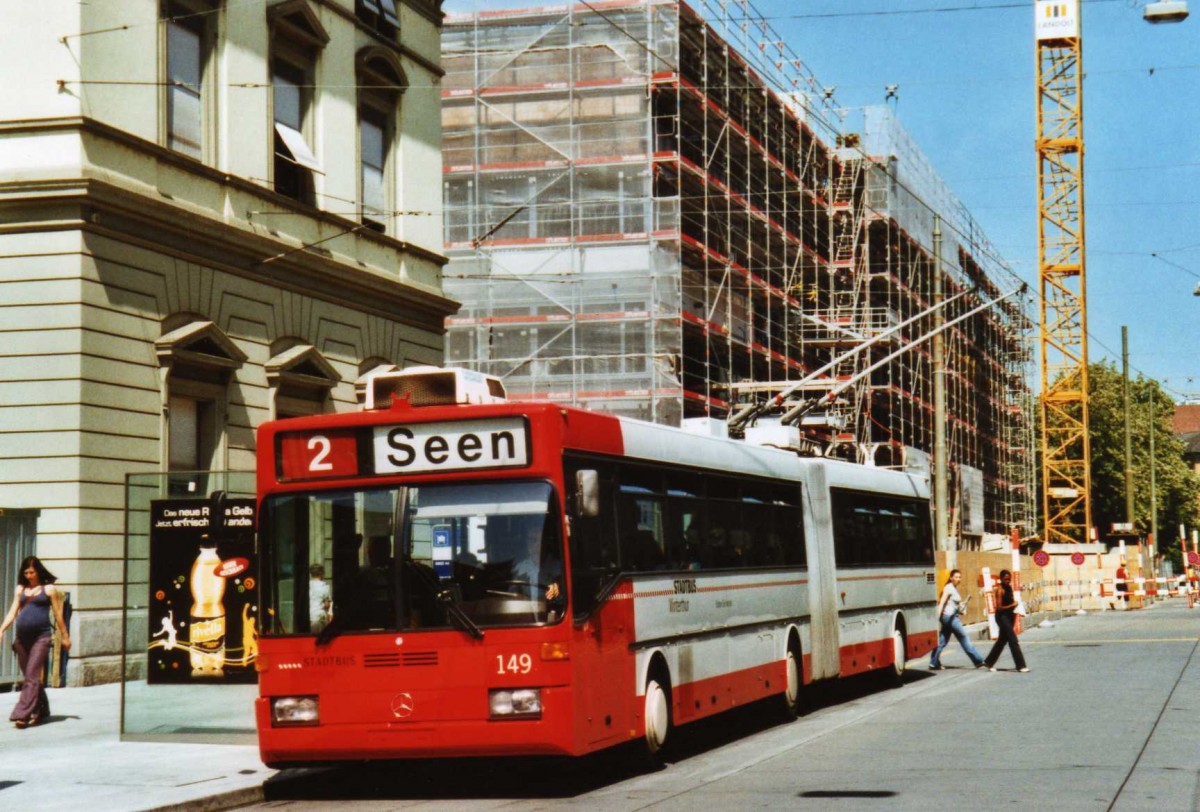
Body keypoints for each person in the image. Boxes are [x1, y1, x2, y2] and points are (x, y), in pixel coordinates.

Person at [1, 556, 71, 728]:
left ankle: (22, 714)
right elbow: (12, 611)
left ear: (38, 571)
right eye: (26, 572)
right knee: (31, 677)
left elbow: (57, 614)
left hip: (42, 637)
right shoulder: (21, 589)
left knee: (31, 676)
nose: (29, 575)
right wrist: (2, 629)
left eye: (32, 572)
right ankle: (42, 709)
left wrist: (65, 637)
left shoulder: (48, 590)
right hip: (22, 640)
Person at [929, 569, 985, 670]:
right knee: (963, 637)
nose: (958, 579)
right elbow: (941, 603)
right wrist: (936, 618)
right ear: (951, 578)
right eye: (956, 577)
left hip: (950, 616)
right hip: (950, 618)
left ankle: (933, 662)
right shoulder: (948, 588)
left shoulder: (954, 588)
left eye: (959, 577)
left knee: (942, 640)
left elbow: (953, 605)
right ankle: (978, 661)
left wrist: (961, 607)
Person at [983, 569, 1029, 673]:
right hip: (1001, 617)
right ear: (1001, 579)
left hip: (1009, 616)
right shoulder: (1000, 590)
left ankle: (989, 662)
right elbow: (999, 607)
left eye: (1009, 579)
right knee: (1013, 640)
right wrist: (1012, 605)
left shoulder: (1009, 588)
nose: (1007, 581)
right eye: (1005, 579)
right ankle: (1021, 665)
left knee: (1002, 640)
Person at [308, 563, 332, 632]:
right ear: (321, 573)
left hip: (309, 617)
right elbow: (327, 605)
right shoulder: (325, 586)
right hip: (319, 617)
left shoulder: (308, 585)